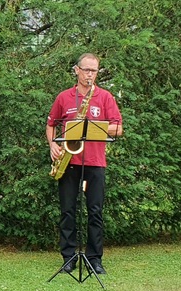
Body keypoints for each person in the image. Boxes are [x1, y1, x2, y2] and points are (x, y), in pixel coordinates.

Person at [46, 53, 124, 275]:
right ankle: (68, 258)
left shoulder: (105, 97)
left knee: (95, 211)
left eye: (94, 71)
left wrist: (95, 126)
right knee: (68, 211)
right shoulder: (64, 97)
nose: (90, 74)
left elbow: (118, 128)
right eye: (86, 70)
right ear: (77, 70)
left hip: (95, 162)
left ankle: (94, 258)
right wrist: (52, 145)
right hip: (69, 161)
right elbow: (51, 124)